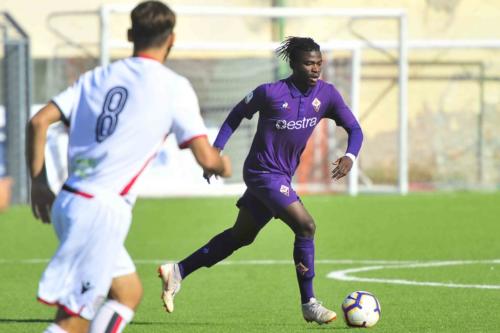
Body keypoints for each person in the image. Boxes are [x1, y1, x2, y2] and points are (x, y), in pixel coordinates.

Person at [26, 2, 231, 333]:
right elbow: (207, 159)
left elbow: (38, 122)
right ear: (172, 39)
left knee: (127, 293)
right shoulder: (173, 86)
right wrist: (224, 165)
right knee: (72, 321)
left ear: (131, 34)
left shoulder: (96, 76)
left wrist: (38, 183)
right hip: (100, 211)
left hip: (71, 199)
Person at [158, 36, 363, 325]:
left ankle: (177, 271)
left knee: (241, 236)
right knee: (306, 226)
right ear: (293, 64)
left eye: (319, 63)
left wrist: (350, 157)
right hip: (261, 173)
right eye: (308, 63)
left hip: (280, 177)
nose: (315, 68)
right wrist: (215, 151)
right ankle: (310, 303)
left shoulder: (327, 95)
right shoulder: (271, 93)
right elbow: (235, 115)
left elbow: (355, 128)